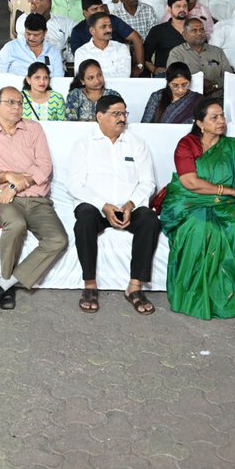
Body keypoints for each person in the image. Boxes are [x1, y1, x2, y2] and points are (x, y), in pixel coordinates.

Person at [159, 98, 235, 319]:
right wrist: (228, 192)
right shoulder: (187, 144)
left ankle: (229, 293)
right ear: (200, 122)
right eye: (214, 117)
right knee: (202, 229)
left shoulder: (230, 145)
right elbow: (190, 182)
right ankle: (196, 294)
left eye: (222, 116)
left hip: (222, 204)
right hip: (189, 201)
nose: (221, 121)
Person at [0, 86, 69, 316]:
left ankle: (4, 284)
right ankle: (7, 282)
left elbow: (43, 168)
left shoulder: (34, 129)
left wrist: (14, 185)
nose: (17, 107)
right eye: (10, 103)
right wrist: (6, 176)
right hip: (5, 200)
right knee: (16, 225)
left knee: (58, 240)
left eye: (19, 103)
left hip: (36, 200)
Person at [67, 95, 159, 315]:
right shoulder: (84, 144)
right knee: (84, 218)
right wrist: (103, 205)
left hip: (128, 208)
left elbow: (148, 182)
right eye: (116, 114)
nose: (122, 118)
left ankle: (134, 287)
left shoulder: (137, 144)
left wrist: (130, 204)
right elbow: (74, 184)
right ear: (99, 116)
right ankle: (89, 285)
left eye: (124, 113)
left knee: (150, 220)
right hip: (96, 207)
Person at [166, 18, 233, 100]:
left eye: (201, 30)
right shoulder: (177, 53)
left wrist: (214, 85)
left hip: (216, 98)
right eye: (194, 30)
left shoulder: (217, 52)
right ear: (184, 35)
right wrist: (199, 84)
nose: (199, 33)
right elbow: (174, 77)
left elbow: (228, 76)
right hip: (187, 99)